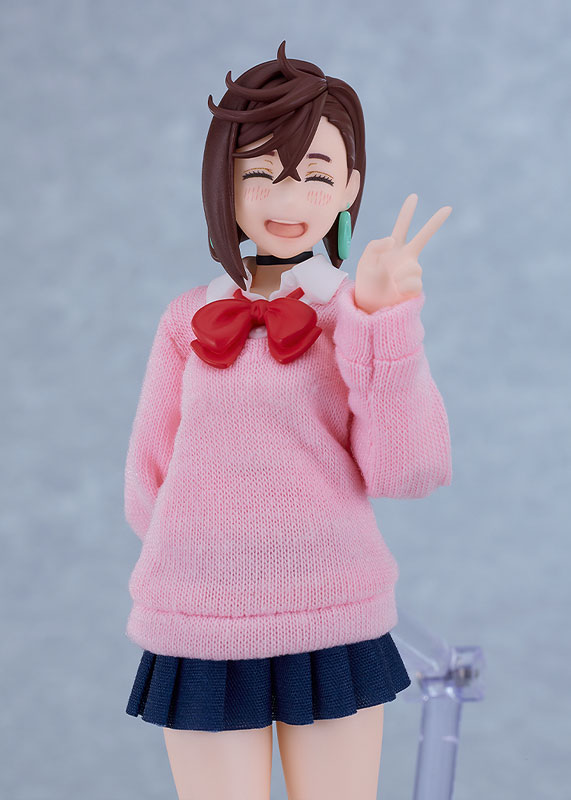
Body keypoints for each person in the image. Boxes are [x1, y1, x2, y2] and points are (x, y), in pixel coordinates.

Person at [124, 41, 452, 800]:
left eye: (316, 175)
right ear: (225, 183)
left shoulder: (353, 317)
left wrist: (384, 321)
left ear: (350, 187)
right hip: (202, 623)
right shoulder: (185, 320)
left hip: (331, 617)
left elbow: (409, 470)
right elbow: (148, 478)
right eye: (262, 173)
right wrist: (201, 561)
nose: (289, 198)